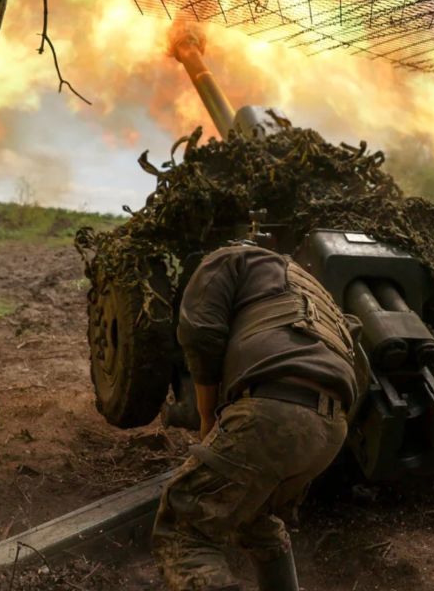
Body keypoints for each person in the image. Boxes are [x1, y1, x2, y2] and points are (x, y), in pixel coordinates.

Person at [151, 243, 358, 591]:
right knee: (254, 517)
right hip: (331, 427)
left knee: (185, 526)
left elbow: (200, 331)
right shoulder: (311, 289)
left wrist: (207, 418)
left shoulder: (226, 259)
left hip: (274, 406)